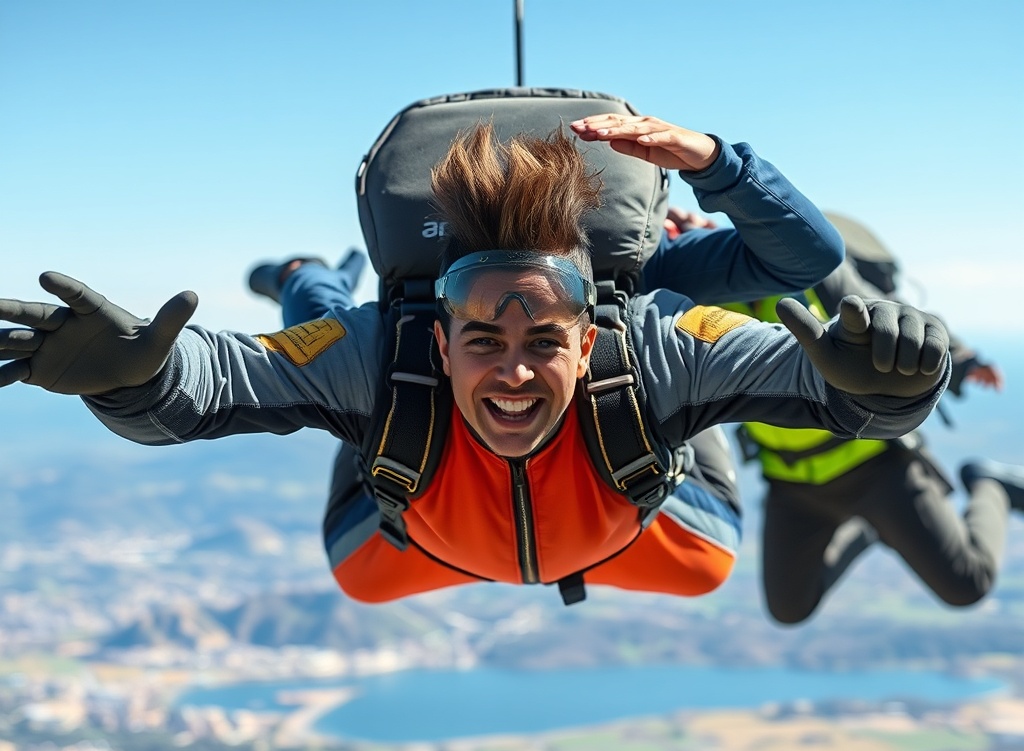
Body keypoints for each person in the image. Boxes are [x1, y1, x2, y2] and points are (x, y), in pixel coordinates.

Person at [0, 114, 952, 607]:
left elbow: (817, 378)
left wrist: (887, 396)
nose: (513, 371)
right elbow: (218, 381)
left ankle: (313, 288)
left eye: (545, 342)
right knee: (337, 344)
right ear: (443, 336)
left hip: (631, 527)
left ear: (589, 337)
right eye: (484, 340)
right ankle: (305, 279)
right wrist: (136, 383)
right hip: (415, 536)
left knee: (706, 558)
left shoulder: (654, 345)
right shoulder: (390, 353)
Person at [660, 208, 1024, 625]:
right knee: (789, 609)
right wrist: (685, 247)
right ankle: (872, 528)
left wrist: (961, 358)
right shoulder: (713, 288)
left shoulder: (812, 270)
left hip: (873, 464)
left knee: (966, 585)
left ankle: (990, 484)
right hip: (793, 482)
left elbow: (895, 316)